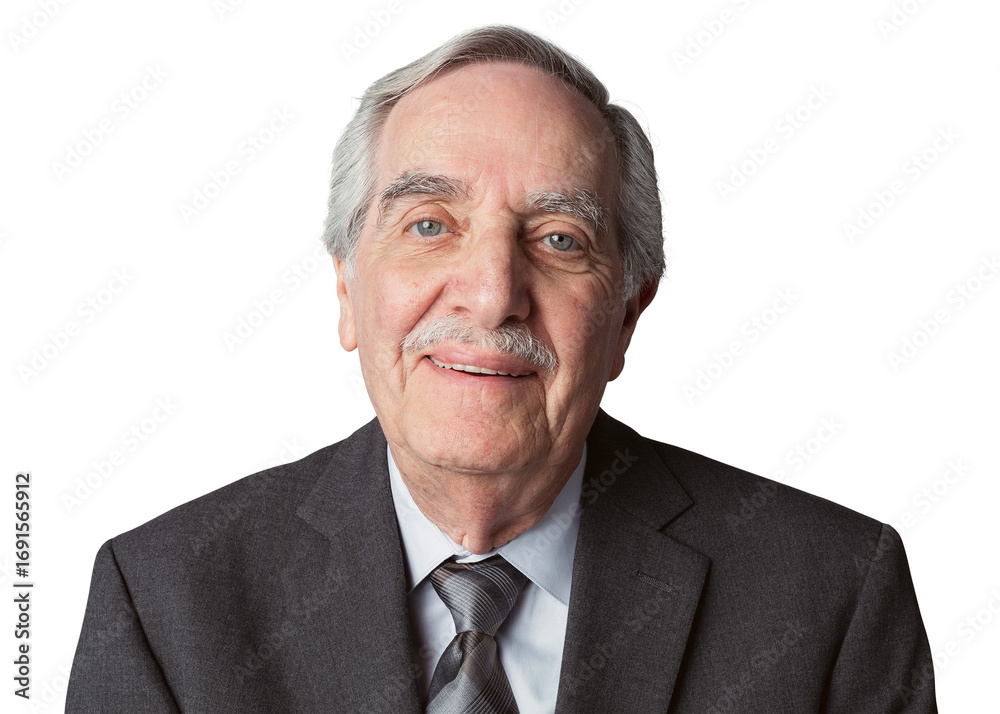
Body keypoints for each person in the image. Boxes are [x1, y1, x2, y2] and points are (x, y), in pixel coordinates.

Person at [67, 25, 936, 713]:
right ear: (346, 289)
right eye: (429, 225)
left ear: (628, 314)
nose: (491, 296)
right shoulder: (165, 603)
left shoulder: (830, 599)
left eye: (559, 239)